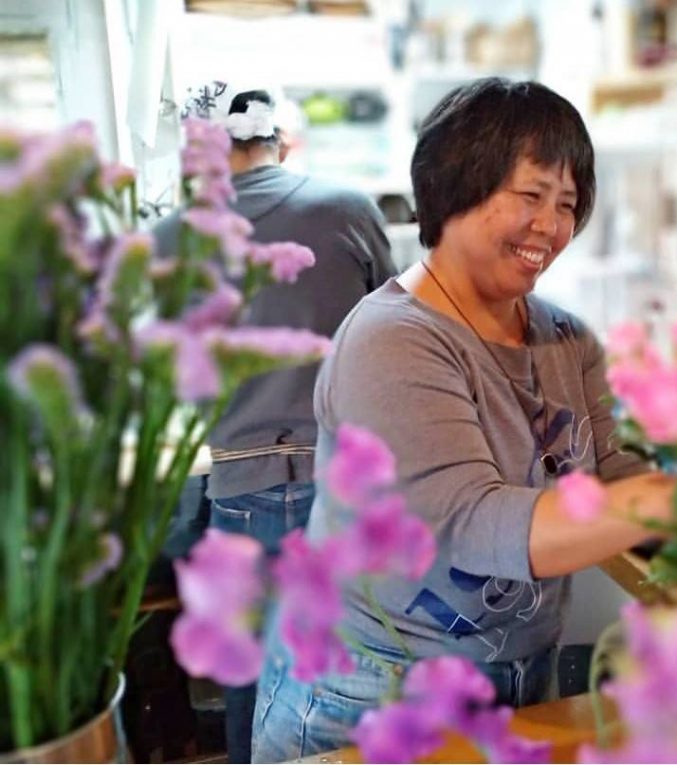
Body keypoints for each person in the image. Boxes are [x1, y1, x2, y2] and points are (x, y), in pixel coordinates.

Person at [251, 78, 674, 762]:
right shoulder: (392, 340)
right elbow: (474, 525)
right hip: (368, 696)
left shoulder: (566, 337)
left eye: (567, 203)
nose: (553, 225)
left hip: (513, 681)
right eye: (531, 196)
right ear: (456, 185)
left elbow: (608, 469)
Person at [154, 82, 397, 763]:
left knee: (250, 687)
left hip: (238, 493)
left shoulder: (171, 237)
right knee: (353, 678)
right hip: (344, 492)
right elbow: (399, 333)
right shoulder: (349, 207)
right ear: (281, 142)